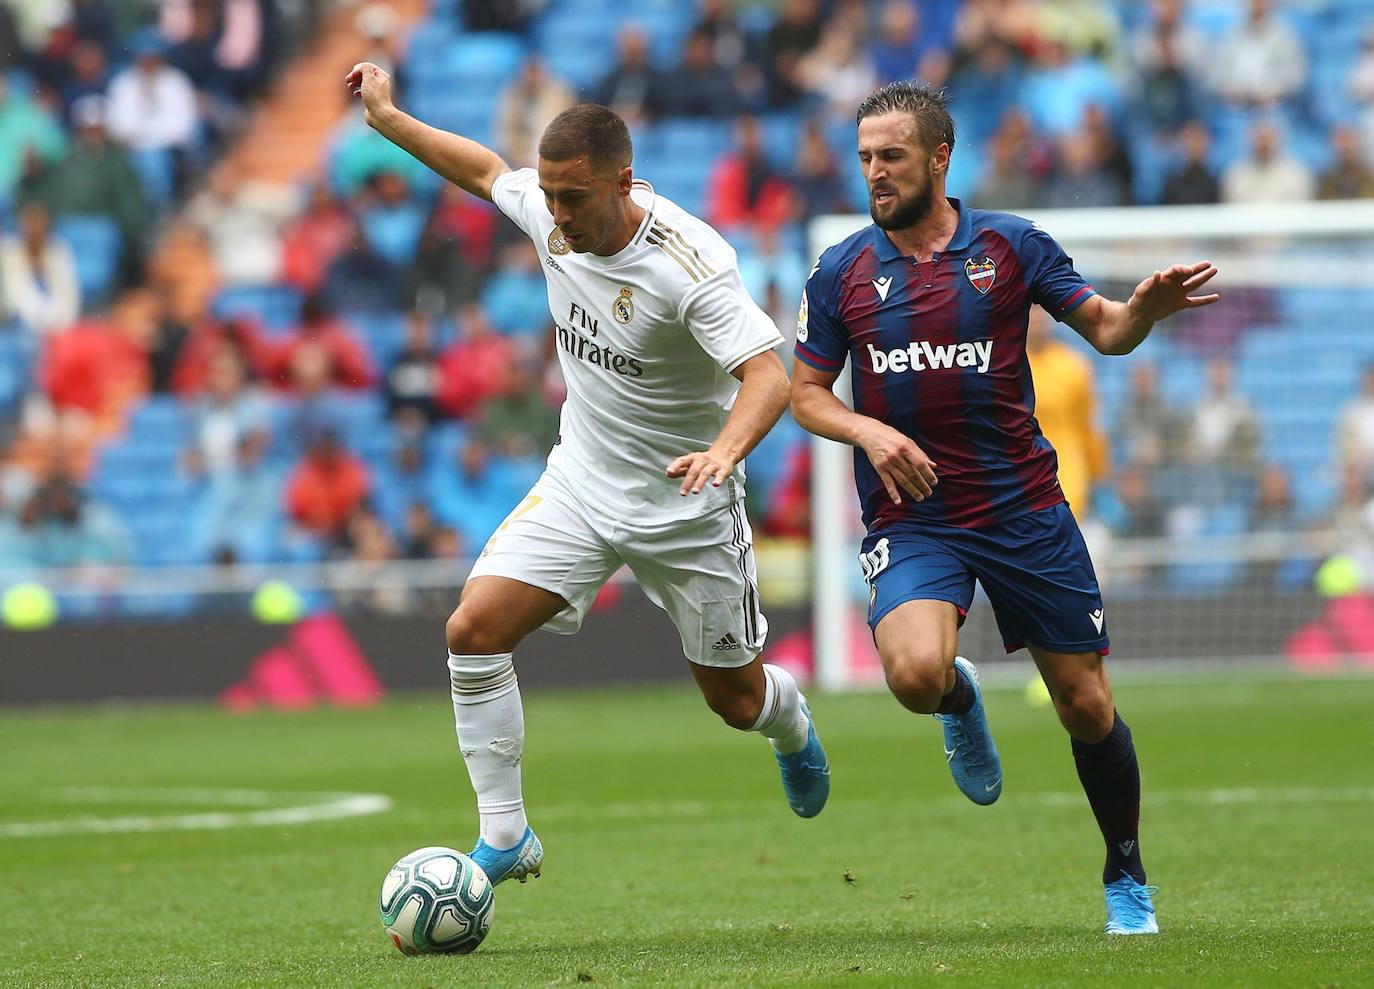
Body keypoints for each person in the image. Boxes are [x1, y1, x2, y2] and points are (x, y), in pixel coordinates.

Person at [346, 62, 829, 886]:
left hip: (687, 505)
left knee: (735, 701)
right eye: (553, 195)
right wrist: (388, 118)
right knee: (472, 630)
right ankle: (505, 834)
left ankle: (791, 726)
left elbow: (770, 375)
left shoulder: (690, 262)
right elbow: (485, 171)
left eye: (575, 197)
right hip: (582, 481)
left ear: (623, 182)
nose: (557, 214)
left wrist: (724, 453)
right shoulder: (549, 210)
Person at [790, 82, 1220, 937]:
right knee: (914, 675)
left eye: (892, 156)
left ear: (940, 158)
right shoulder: (840, 269)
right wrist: (869, 433)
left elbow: (1103, 328)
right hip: (915, 515)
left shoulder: (1009, 245)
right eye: (866, 156)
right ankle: (959, 702)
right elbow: (806, 395)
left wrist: (1141, 312)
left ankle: (1126, 873)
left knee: (1086, 706)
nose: (874, 172)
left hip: (1022, 508)